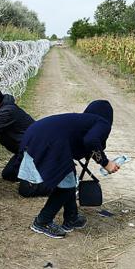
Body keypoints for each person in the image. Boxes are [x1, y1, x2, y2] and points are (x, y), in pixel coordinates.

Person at [14, 100, 120, 239]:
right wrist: (106, 163)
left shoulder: (84, 121)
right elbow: (90, 141)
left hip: (35, 135)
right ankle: (42, 222)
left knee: (68, 175)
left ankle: (72, 217)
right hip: (46, 141)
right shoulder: (102, 123)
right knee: (66, 183)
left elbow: (80, 146)